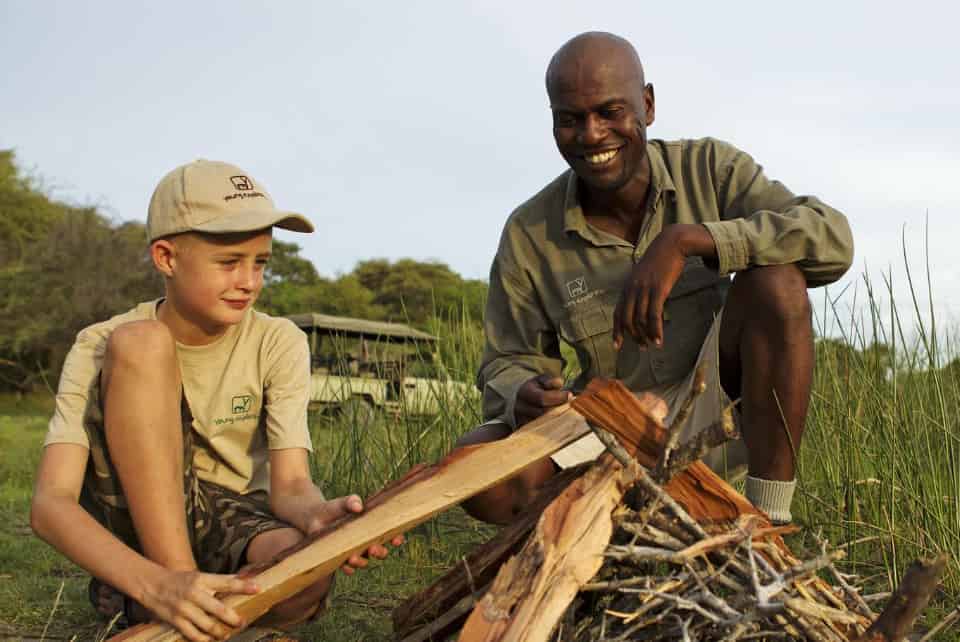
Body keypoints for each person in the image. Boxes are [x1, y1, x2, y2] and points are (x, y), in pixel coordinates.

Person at [458, 32, 854, 527]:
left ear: (646, 105)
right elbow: (506, 361)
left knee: (776, 283)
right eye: (570, 119)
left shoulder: (710, 169)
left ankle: (766, 524)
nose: (592, 134)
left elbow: (832, 237)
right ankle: (602, 527)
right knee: (477, 464)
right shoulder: (529, 232)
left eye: (610, 111)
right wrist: (524, 394)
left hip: (724, 418)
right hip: (610, 432)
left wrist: (690, 240)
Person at [29, 160, 400, 642]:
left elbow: (290, 486)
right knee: (142, 342)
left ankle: (167, 613)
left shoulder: (279, 341)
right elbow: (50, 505)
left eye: (260, 263)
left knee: (306, 574)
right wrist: (163, 580)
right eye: (229, 263)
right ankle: (167, 593)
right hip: (140, 527)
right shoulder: (100, 342)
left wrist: (317, 518)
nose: (249, 281)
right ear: (166, 258)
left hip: (233, 517)